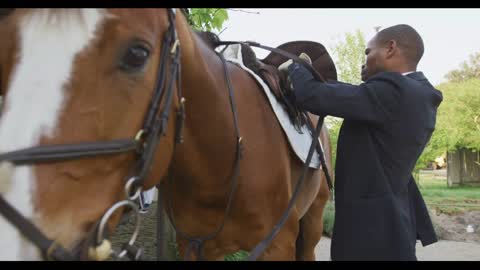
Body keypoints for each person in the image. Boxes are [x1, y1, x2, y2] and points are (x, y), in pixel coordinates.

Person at [279, 24, 443, 261]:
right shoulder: (417, 94)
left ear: (390, 48)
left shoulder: (396, 91)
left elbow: (313, 96)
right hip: (391, 223)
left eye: (368, 52)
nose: (364, 61)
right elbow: (353, 95)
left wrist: (295, 66)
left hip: (371, 232)